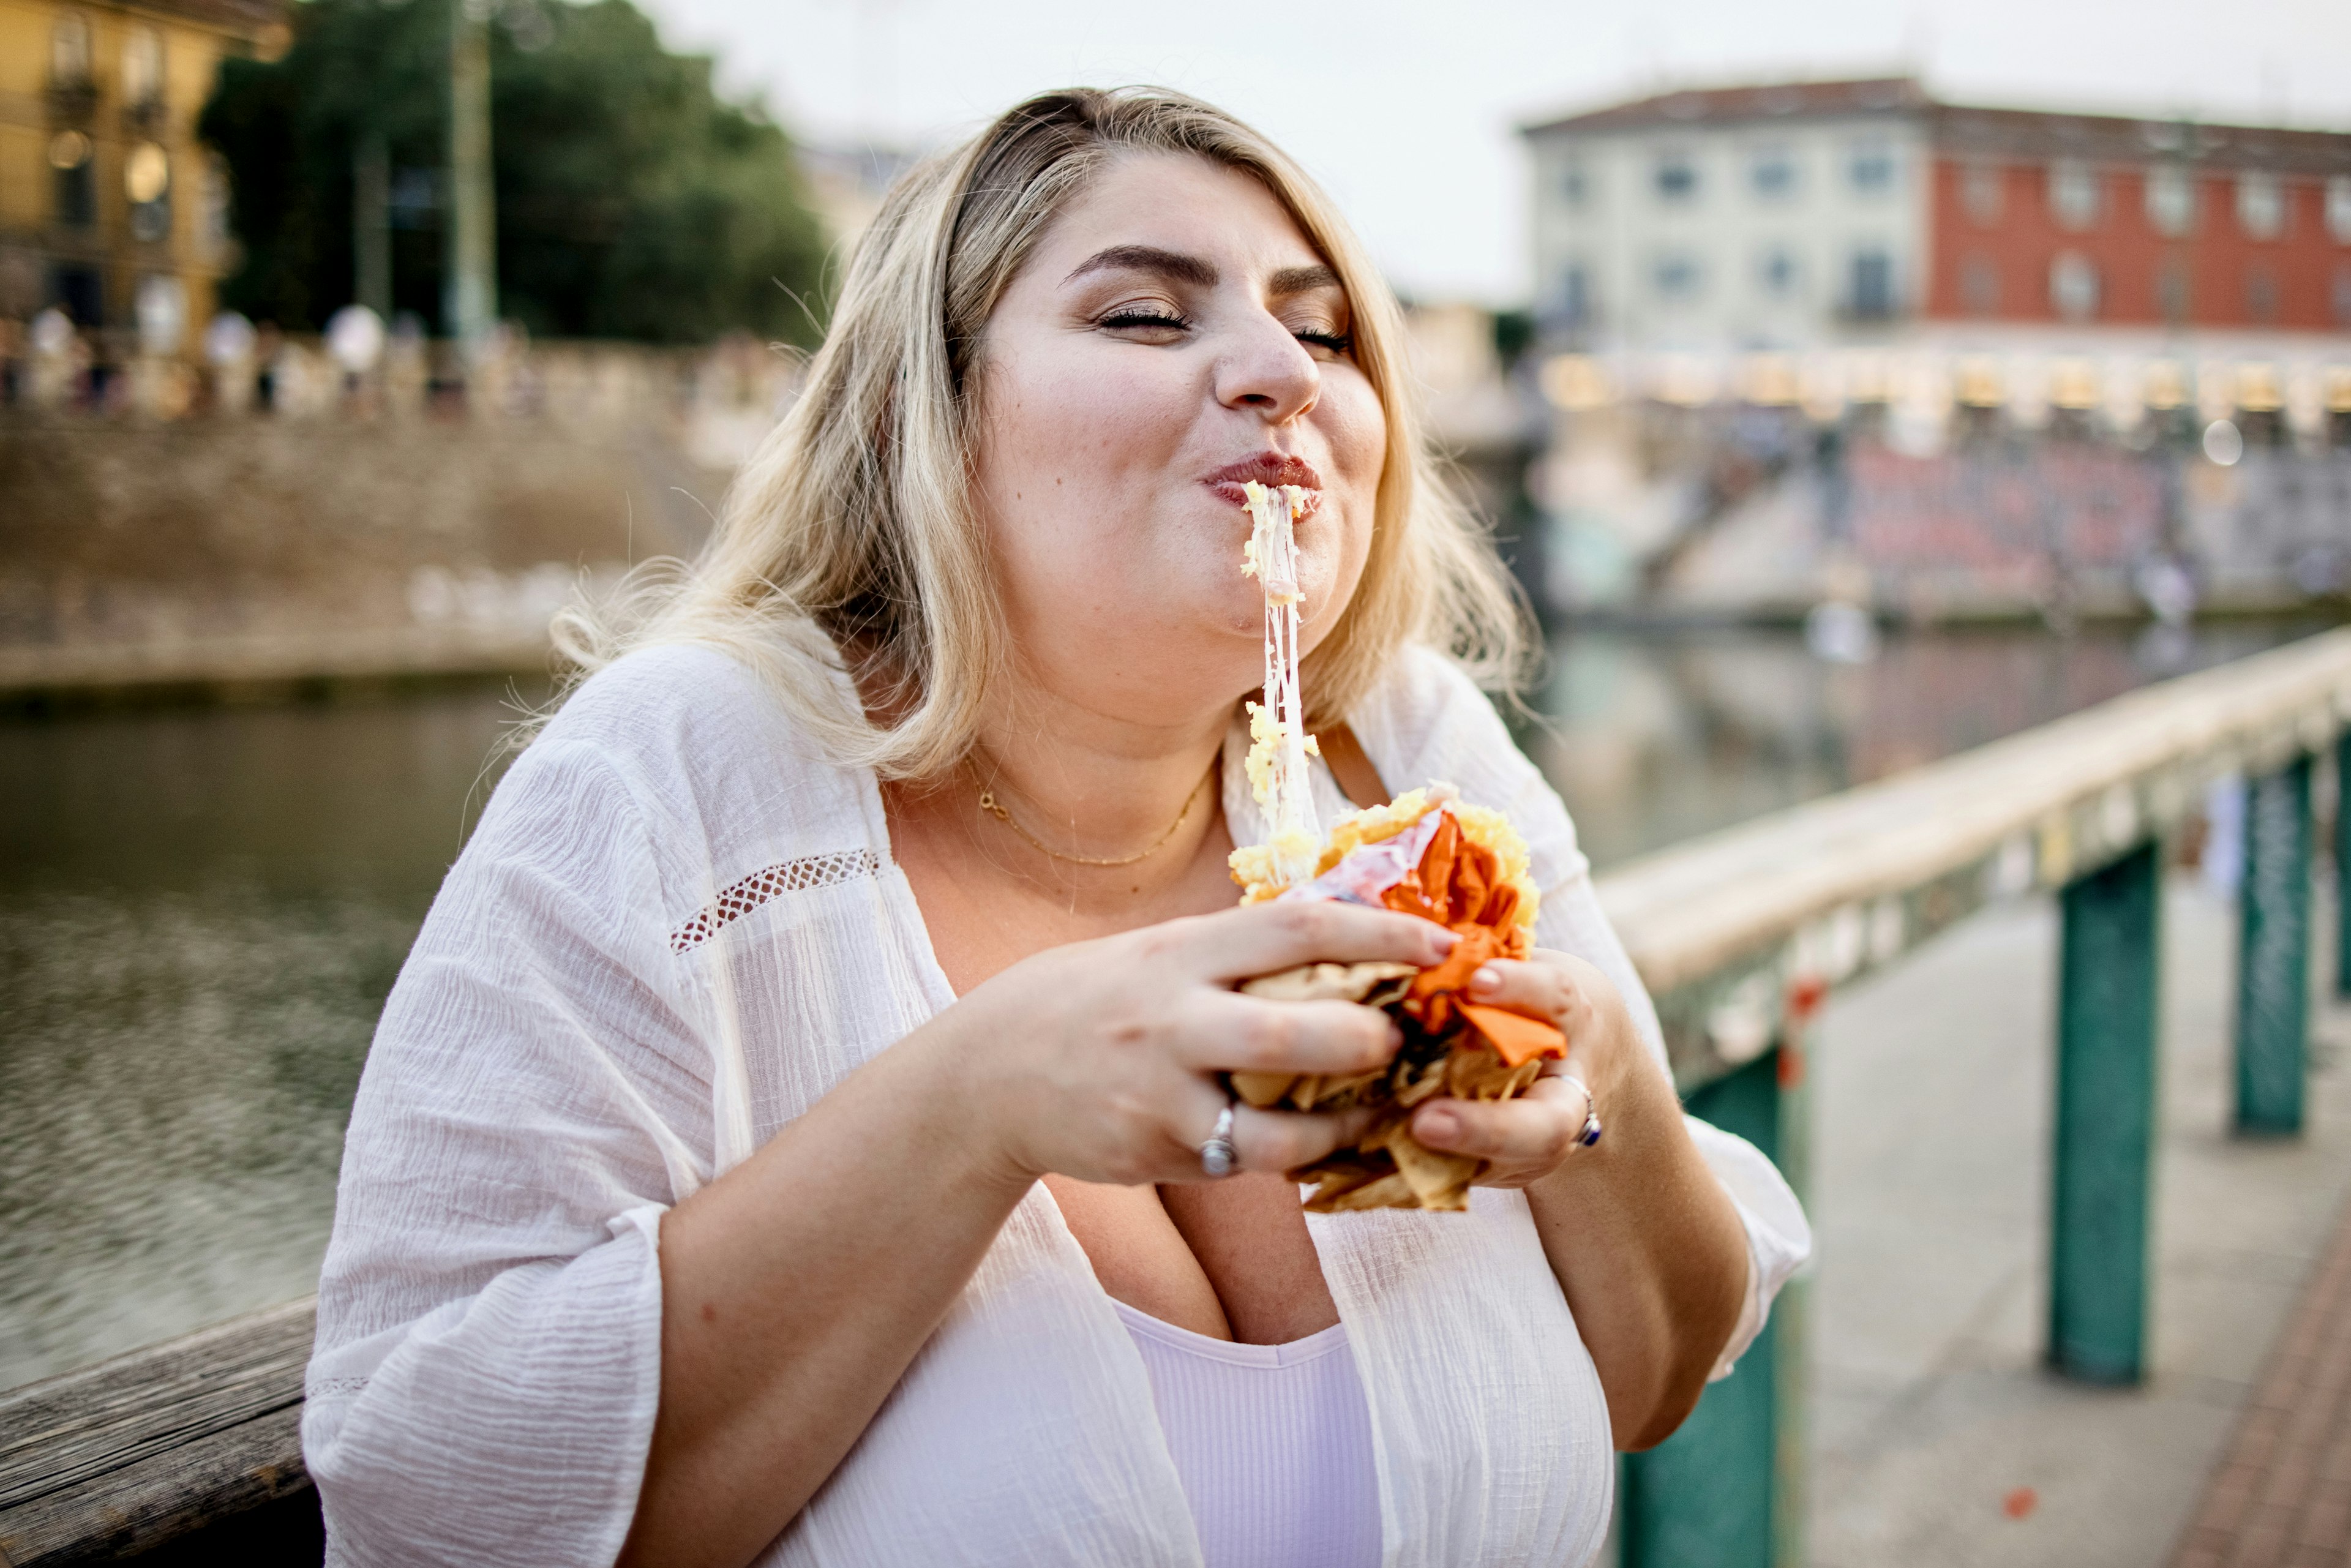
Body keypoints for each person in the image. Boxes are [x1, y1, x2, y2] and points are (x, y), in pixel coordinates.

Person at [303, 87, 1809, 1568]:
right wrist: (980, 1099)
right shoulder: (679, 774)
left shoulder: (1409, 749)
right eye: (1149, 317)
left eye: (1327, 329)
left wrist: (1595, 1069)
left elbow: (1656, 1379)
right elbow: (425, 1499)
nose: (1280, 368)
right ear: (927, 413)